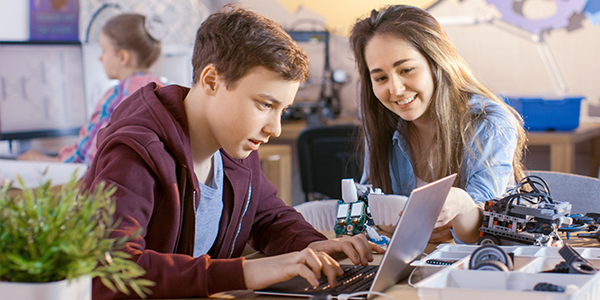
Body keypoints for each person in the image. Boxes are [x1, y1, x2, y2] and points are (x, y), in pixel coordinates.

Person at [82, 5, 384, 299]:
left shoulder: (232, 144)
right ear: (211, 81)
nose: (275, 128)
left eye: (283, 109)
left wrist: (312, 246)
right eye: (265, 105)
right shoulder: (136, 152)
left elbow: (268, 218)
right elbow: (111, 272)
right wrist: (247, 273)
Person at [349, 5, 527, 244]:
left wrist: (462, 206)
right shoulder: (383, 123)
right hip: (407, 266)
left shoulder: (490, 123)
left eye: (407, 70)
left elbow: (481, 231)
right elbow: (365, 210)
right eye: (380, 78)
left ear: (437, 63)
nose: (395, 89)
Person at [17, 13, 163, 165]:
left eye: (104, 50)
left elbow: (82, 159)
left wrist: (38, 160)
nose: (100, 58)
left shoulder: (118, 96)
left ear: (122, 57)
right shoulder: (161, 89)